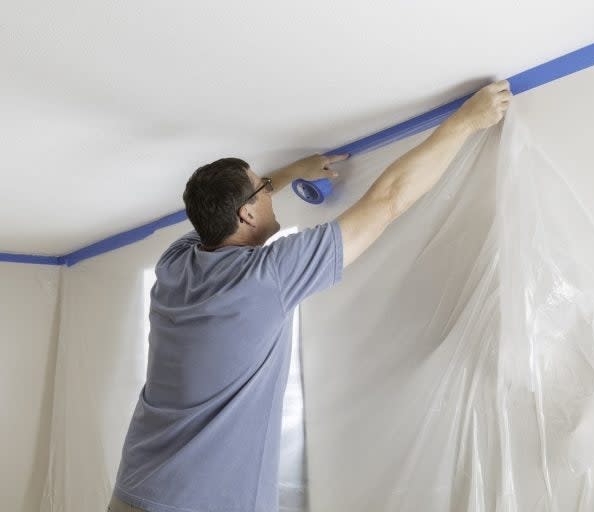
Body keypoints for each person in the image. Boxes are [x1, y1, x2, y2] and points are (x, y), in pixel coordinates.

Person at [107, 80, 512, 512]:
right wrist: (466, 121)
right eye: (261, 187)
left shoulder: (175, 263)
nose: (267, 188)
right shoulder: (266, 276)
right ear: (247, 212)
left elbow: (230, 214)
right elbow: (387, 200)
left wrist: (291, 172)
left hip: (133, 489)